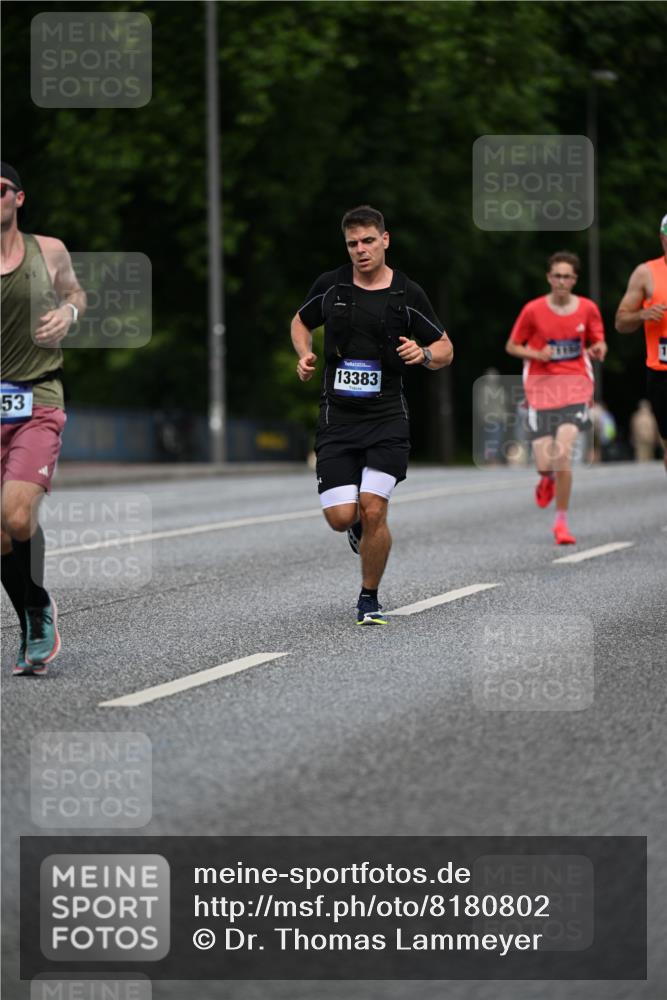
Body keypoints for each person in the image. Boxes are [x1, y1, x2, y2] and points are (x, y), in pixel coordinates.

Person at [291, 205, 453, 624]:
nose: (360, 250)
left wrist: (425, 353)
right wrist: (305, 352)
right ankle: (358, 530)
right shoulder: (331, 286)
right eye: (352, 244)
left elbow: (446, 349)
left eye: (367, 241)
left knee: (374, 507)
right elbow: (300, 320)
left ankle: (369, 599)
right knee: (342, 516)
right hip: (338, 418)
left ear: (385, 240)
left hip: (386, 417)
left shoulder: (407, 293)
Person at [1, 162, 85, 674]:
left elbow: (75, 292)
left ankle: (36, 612)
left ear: (19, 198)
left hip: (37, 399)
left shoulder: (47, 250)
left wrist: (69, 314)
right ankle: (32, 610)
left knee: (14, 515)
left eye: (0, 190)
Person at [505, 251, 607, 545]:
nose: (562, 281)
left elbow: (599, 341)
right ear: (549, 278)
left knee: (563, 455)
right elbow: (512, 345)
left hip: (576, 388)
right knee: (544, 463)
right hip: (541, 390)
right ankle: (546, 479)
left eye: (567, 276)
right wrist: (535, 353)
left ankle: (561, 522)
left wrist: (600, 348)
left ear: (574, 280)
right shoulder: (533, 310)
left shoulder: (587, 308)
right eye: (557, 276)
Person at [614, 214, 667, 473]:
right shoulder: (646, 273)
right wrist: (643, 314)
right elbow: (621, 322)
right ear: (662, 239)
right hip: (661, 371)